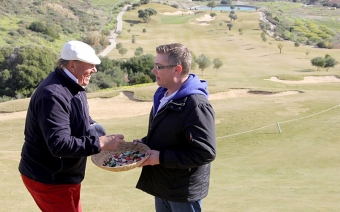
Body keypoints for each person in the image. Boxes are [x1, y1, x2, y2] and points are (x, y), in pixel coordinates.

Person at [18, 40, 125, 212]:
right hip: (49, 178)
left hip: (64, 175)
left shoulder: (73, 84)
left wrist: (96, 130)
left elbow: (80, 117)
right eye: (90, 65)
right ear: (72, 65)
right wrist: (100, 143)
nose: (95, 69)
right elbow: (59, 144)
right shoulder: (52, 95)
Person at [134, 43, 216, 212]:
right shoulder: (162, 95)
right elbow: (167, 136)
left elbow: (205, 152)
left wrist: (161, 158)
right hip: (162, 187)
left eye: (159, 66)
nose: (153, 70)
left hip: (182, 193)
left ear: (177, 69)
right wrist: (143, 145)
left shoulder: (196, 105)